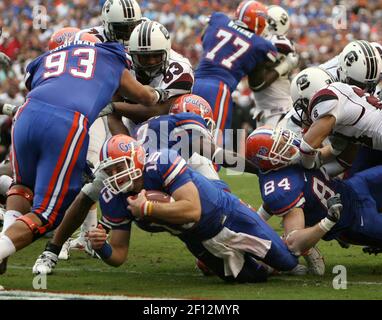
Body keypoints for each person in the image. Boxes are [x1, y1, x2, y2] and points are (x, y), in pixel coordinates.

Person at [0, 32, 168, 274]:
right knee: (46, 214)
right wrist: (159, 94)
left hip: (26, 114)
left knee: (22, 187)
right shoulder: (109, 56)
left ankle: (5, 243)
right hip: (67, 121)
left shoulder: (47, 57)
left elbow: (38, 85)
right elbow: (144, 97)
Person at [34, 135, 306, 281]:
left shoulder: (161, 162)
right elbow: (118, 255)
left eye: (119, 167)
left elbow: (193, 210)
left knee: (289, 263)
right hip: (197, 239)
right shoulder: (114, 195)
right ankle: (250, 262)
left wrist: (149, 208)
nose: (115, 175)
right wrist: (101, 246)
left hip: (227, 215)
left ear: (137, 158)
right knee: (252, 278)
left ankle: (301, 237)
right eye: (110, 170)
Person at [246, 126, 382, 266]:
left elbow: (331, 154)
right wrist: (328, 221)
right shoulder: (282, 189)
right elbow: (294, 242)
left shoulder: (291, 158)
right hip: (354, 220)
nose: (289, 145)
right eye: (280, 146)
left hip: (355, 187)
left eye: (284, 140)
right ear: (267, 159)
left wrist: (346, 138)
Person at [192, 0, 298, 145]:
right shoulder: (261, 44)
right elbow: (257, 83)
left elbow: (205, 38)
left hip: (195, 79)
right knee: (212, 142)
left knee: (188, 131)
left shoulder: (219, 20)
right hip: (219, 89)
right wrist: (284, 66)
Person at [252, 5, 297, 127]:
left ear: (273, 23)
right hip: (263, 111)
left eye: (263, 19)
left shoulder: (277, 41)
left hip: (280, 111)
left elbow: (287, 46)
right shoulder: (262, 41)